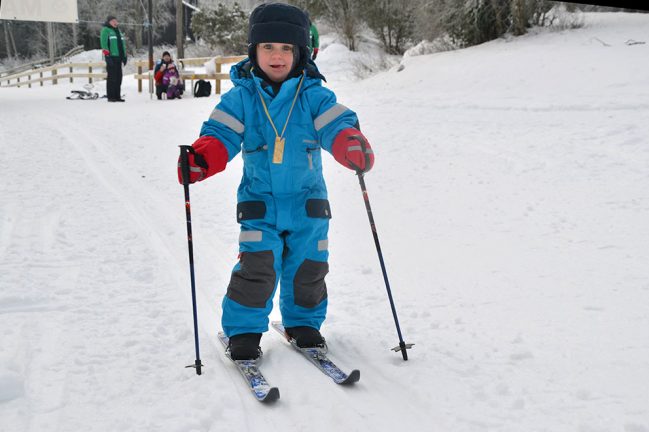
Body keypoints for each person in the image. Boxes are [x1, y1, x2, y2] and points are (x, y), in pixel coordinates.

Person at [177, 3, 374, 360]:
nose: (277, 56)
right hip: (259, 205)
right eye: (268, 47)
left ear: (300, 52)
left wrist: (349, 143)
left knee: (309, 269)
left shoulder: (314, 96)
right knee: (258, 268)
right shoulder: (242, 98)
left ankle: (303, 323)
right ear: (254, 50)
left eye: (286, 48)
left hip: (309, 205)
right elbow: (220, 133)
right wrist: (202, 159)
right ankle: (244, 331)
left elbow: (336, 124)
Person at [100, 15, 127, 102]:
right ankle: (111, 97)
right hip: (111, 57)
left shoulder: (118, 31)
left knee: (119, 77)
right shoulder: (106, 30)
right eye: (113, 21)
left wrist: (124, 56)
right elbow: (104, 44)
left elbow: (122, 45)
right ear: (109, 22)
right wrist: (107, 56)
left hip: (119, 58)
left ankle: (117, 96)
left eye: (116, 20)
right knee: (112, 78)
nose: (115, 22)